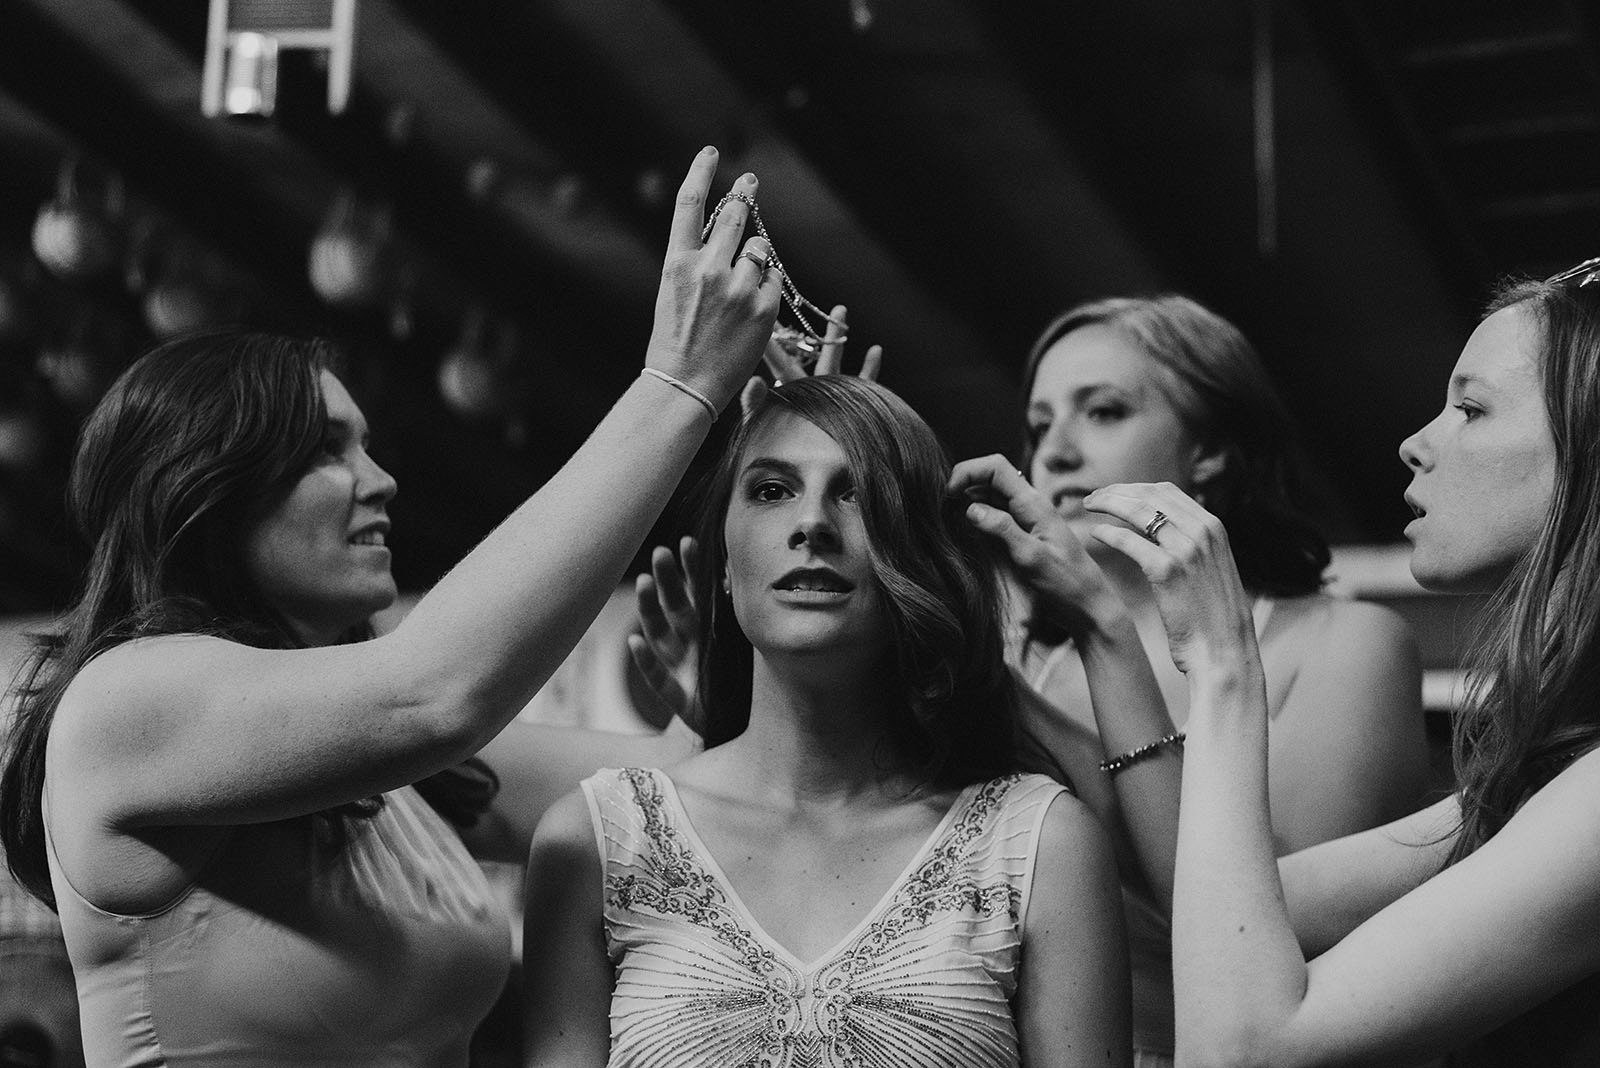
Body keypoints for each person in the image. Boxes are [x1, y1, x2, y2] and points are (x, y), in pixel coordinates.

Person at [0, 149, 780, 1068]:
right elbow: (437, 692)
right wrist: (679, 385)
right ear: (209, 488)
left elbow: (671, 797)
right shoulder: (126, 702)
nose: (382, 481)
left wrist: (740, 661)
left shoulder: (390, 767)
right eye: (329, 450)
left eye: (367, 447)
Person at [635, 295, 1430, 1066]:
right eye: (1041, 424)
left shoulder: (1343, 643)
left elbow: (1275, 928)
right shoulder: (1026, 657)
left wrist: (1012, 660)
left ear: (1212, 448)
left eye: (1105, 411)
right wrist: (851, 459)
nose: (1057, 451)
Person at [521, 376, 1131, 1067]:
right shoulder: (596, 841)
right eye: (772, 490)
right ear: (723, 562)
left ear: (921, 554)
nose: (811, 523)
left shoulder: (1039, 844)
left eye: (860, 493)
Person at [1087, 261, 1600, 1066]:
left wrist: (1223, 668)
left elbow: (1242, 1047)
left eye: (1470, 408)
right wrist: (1100, 630)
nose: (1415, 443)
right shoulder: (1550, 773)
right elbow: (1241, 910)